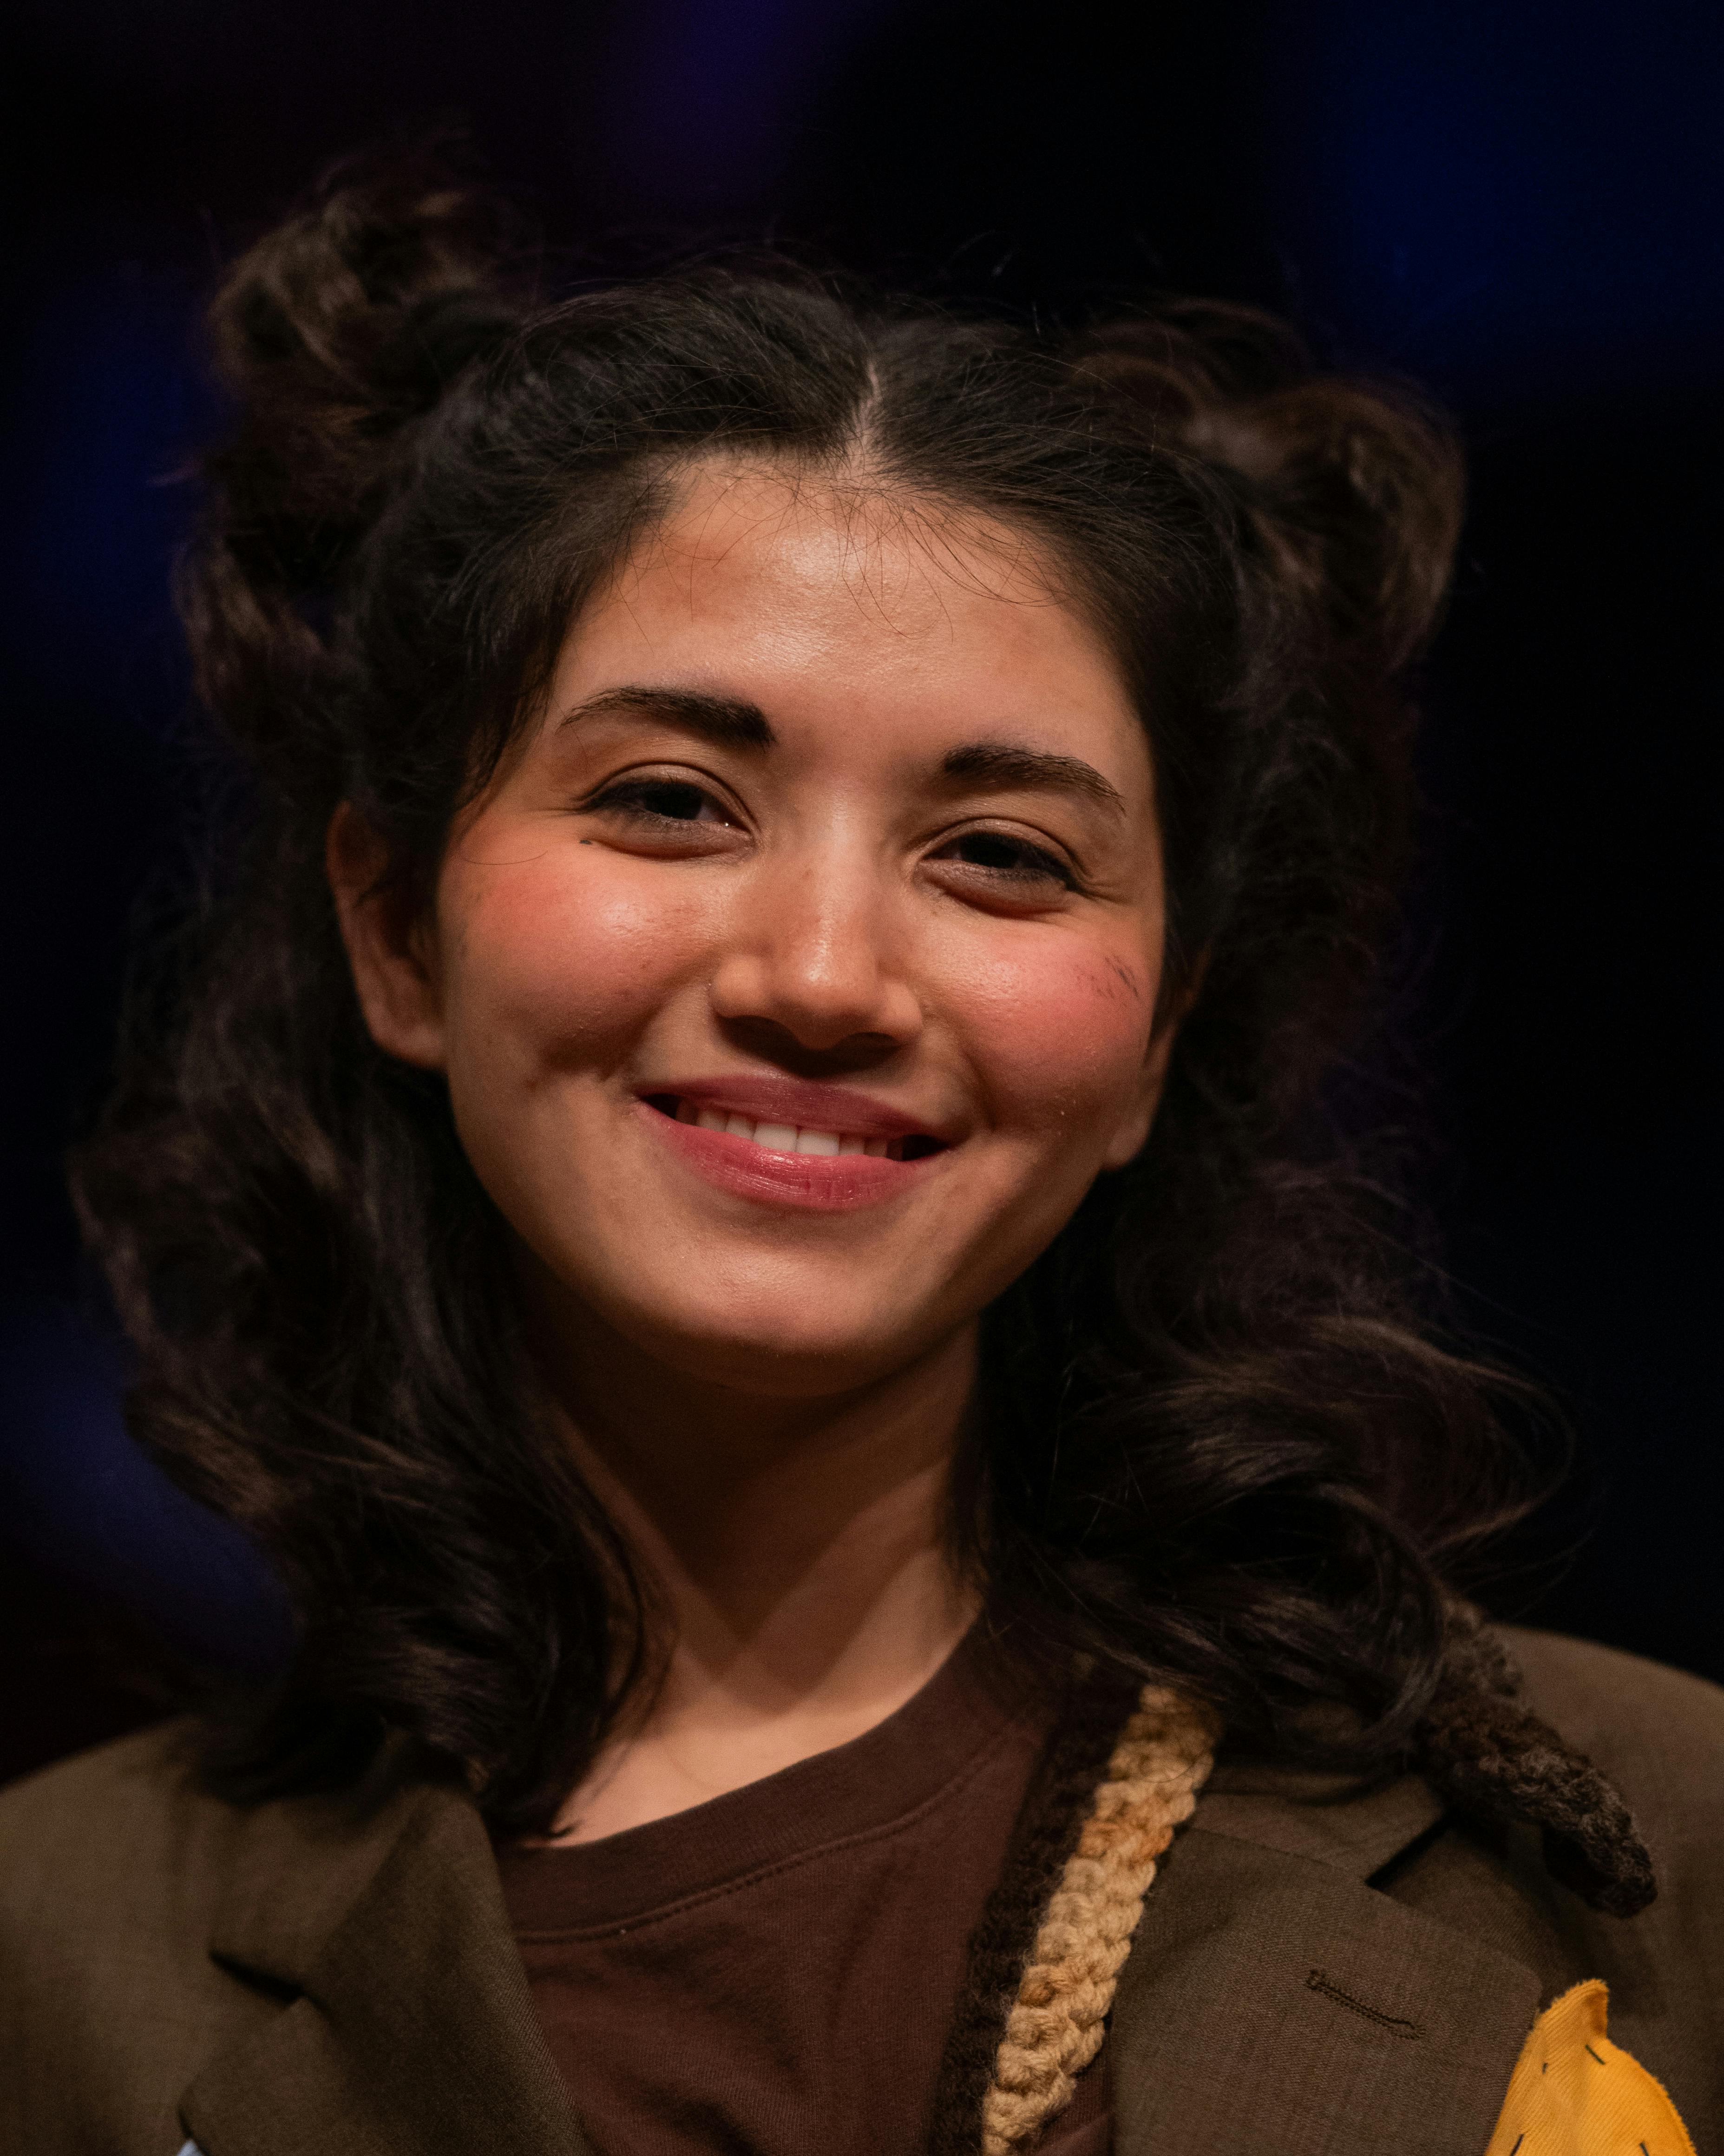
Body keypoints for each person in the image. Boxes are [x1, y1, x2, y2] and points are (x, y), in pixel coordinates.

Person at [0, 165, 1717, 2156]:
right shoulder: (56, 1959)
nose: (822, 975)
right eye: (669, 799)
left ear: (1161, 1031)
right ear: (396, 931)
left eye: (1000, 851)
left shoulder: (1629, 1841)